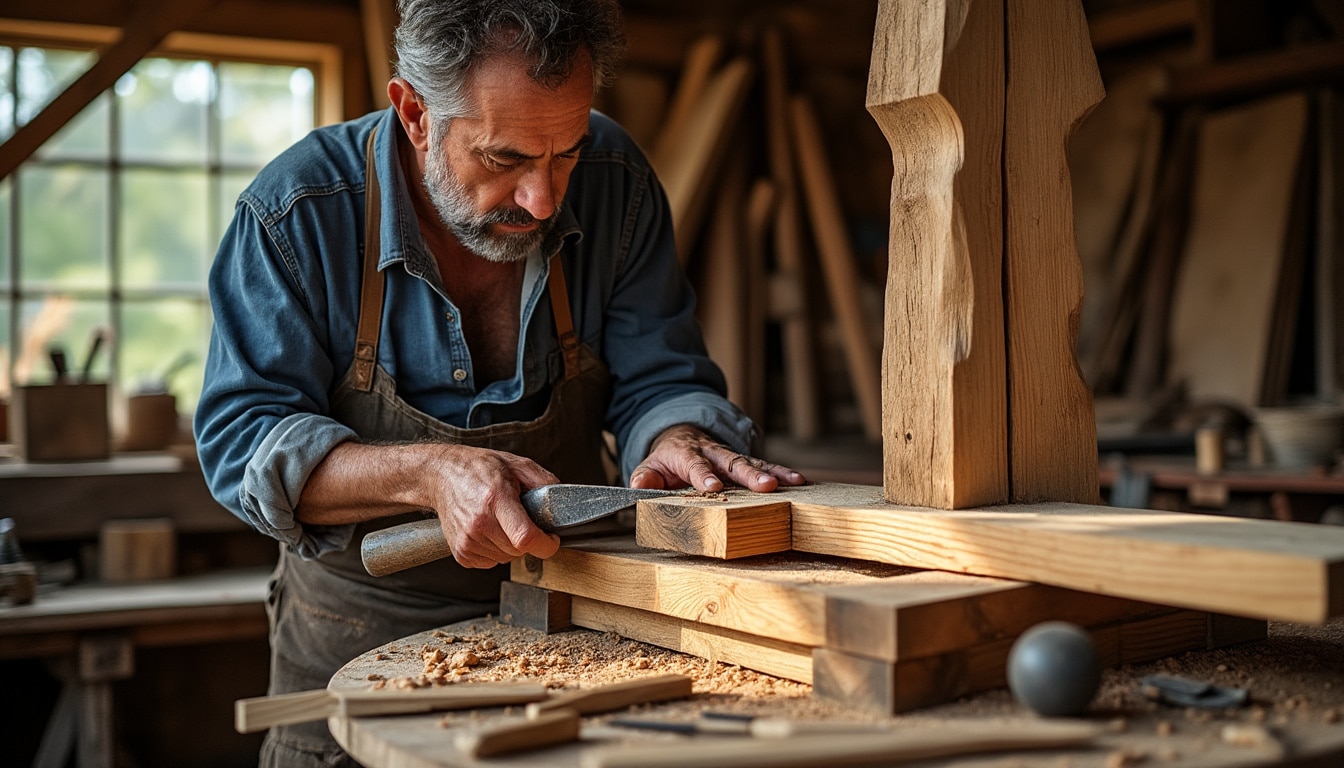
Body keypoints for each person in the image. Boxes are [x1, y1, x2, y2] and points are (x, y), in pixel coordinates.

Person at [193, 0, 805, 764]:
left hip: (577, 630)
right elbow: (243, 445)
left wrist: (676, 433)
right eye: (504, 159)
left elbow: (661, 375)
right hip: (360, 641)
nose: (543, 199)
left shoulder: (616, 181)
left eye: (565, 154)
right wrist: (429, 472)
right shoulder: (297, 214)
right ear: (415, 114)